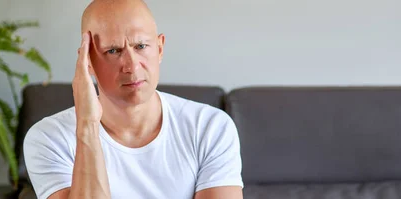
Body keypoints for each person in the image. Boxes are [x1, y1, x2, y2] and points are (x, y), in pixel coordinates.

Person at [22, 0, 244, 198]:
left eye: (140, 46)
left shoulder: (210, 126)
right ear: (87, 61)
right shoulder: (48, 139)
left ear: (159, 48)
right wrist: (87, 127)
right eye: (113, 51)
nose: (132, 65)